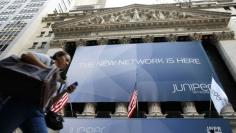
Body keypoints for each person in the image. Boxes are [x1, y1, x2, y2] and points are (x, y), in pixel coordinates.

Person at [0, 51, 76, 133]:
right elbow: (25, 55)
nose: (67, 63)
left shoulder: (57, 81)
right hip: (22, 102)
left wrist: (65, 91)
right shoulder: (47, 60)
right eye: (67, 59)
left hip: (38, 111)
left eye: (69, 62)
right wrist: (48, 70)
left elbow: (50, 102)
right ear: (58, 56)